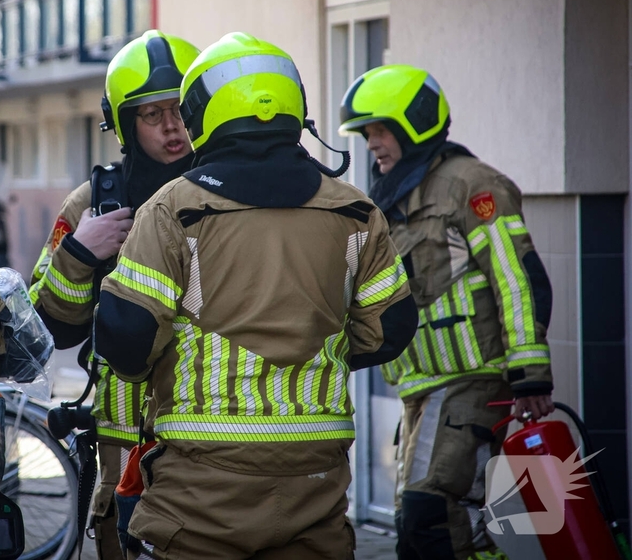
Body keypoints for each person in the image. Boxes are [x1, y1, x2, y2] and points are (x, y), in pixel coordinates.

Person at [94, 32, 418, 559]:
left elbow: (128, 341)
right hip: (315, 474)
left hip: (204, 486)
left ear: (203, 112)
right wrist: (315, 355)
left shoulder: (174, 208)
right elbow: (390, 329)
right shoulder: (355, 210)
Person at [338, 64, 555, 560]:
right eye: (367, 132)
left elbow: (518, 278)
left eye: (379, 128)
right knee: (426, 526)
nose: (371, 142)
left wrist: (530, 377)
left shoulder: (471, 185)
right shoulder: (393, 193)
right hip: (421, 390)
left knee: (429, 513)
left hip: (472, 382)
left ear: (413, 122)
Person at [28, 29, 201, 560]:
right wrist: (80, 253)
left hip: (205, 439)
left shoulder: (225, 194)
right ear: (126, 125)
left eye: (179, 110)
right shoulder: (93, 202)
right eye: (152, 115)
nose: (172, 128)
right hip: (121, 447)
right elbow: (44, 330)